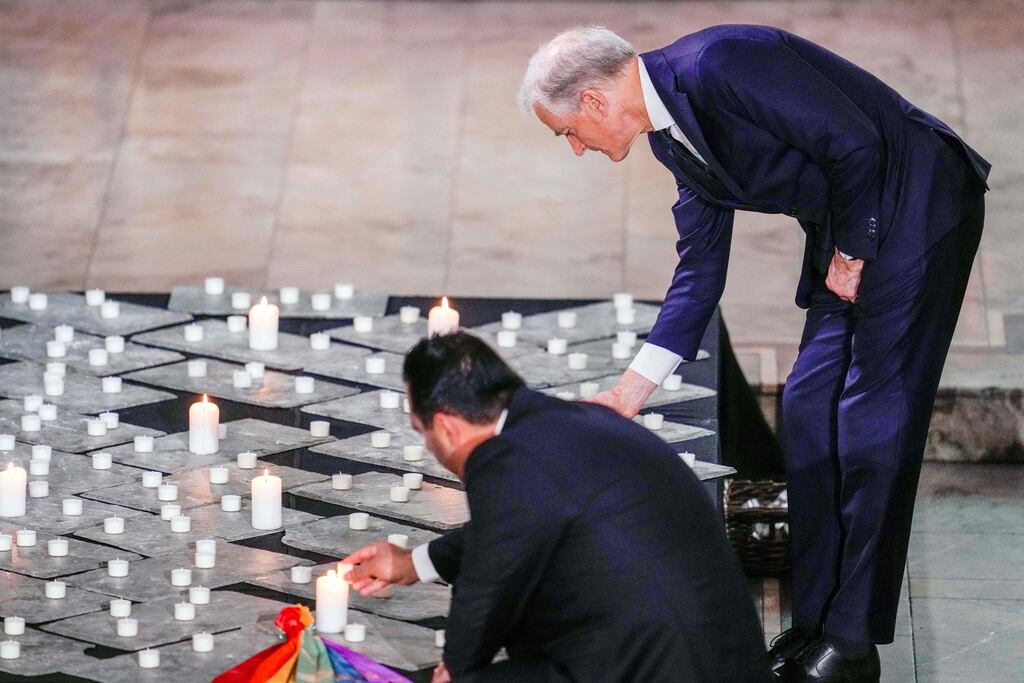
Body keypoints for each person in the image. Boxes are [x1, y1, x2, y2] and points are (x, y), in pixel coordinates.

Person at [516, 24, 990, 682]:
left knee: (869, 422)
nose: (574, 148)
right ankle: (815, 623)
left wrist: (853, 250)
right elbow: (698, 272)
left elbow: (856, 140)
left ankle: (851, 643)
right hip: (848, 229)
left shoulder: (719, 64)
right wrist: (629, 391)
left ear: (594, 102)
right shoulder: (674, 145)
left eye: (565, 130)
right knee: (805, 405)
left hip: (912, 203)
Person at [343, 332, 769, 682]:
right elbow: (506, 532)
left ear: (447, 428)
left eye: (423, 432)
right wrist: (412, 564)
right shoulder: (563, 423)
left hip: (651, 665)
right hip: (721, 654)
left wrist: (455, 669)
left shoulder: (504, 461)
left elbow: (484, 592)